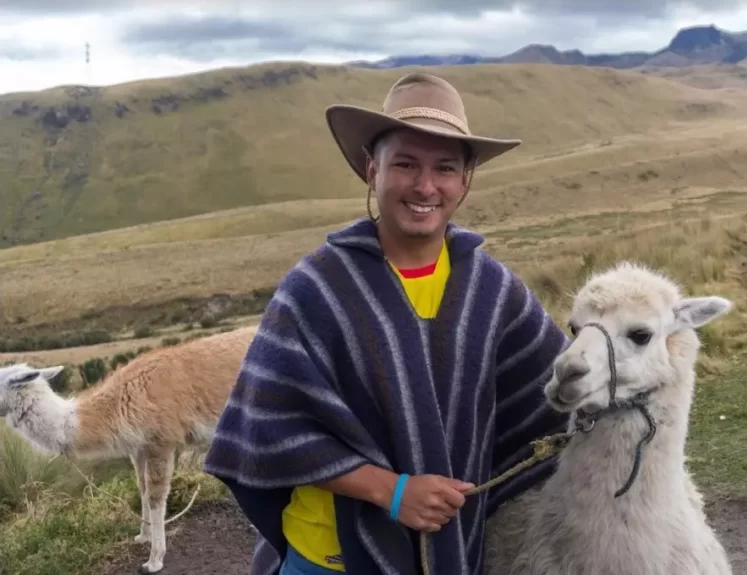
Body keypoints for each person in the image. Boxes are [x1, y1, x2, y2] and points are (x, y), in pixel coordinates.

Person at [202, 72, 571, 575]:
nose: (425, 186)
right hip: (328, 559)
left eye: (445, 167)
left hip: (448, 549)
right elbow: (265, 428)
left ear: (466, 180)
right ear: (371, 170)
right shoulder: (317, 288)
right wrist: (391, 491)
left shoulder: (493, 291)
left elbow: (556, 395)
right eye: (405, 164)